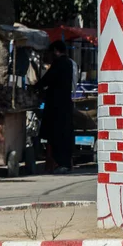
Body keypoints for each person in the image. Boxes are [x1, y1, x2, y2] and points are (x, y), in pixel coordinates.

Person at [35, 40, 75, 174]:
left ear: (56, 51)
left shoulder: (59, 63)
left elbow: (47, 80)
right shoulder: (69, 63)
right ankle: (63, 162)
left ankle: (62, 163)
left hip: (57, 107)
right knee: (63, 135)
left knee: (58, 135)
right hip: (64, 104)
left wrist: (35, 88)